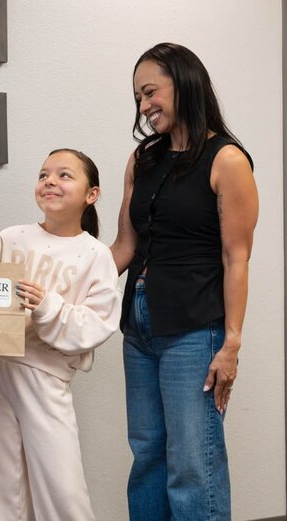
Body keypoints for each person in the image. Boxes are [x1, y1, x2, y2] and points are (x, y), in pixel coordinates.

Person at [110, 43, 258, 520]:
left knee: (193, 463)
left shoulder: (227, 160)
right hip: (138, 324)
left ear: (185, 84)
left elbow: (236, 258)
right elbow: (123, 247)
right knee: (147, 455)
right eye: (138, 96)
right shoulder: (143, 159)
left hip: (194, 330)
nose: (143, 105)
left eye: (150, 91)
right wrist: (59, 281)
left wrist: (231, 344)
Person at [0, 148, 121, 521]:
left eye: (64, 175)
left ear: (92, 194)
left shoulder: (95, 254)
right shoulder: (11, 237)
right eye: (43, 175)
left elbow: (97, 323)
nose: (50, 181)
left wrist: (47, 306)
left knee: (61, 488)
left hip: (45, 373)